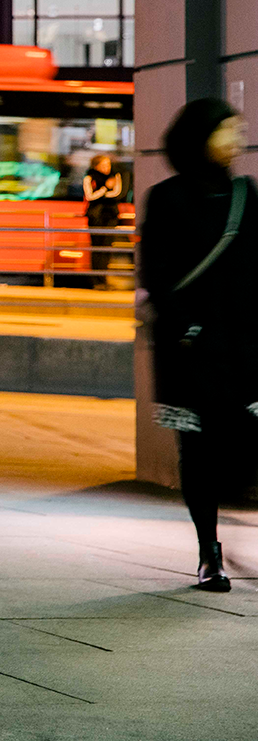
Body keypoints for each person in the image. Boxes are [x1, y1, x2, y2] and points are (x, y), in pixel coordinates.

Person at [141, 98, 258, 593]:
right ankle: (209, 553)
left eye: (238, 129)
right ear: (199, 137)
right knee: (199, 452)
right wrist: (187, 328)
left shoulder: (245, 193)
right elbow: (157, 273)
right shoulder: (166, 197)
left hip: (244, 347)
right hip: (190, 351)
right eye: (227, 130)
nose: (238, 138)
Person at [84, 153, 125, 280]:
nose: (107, 167)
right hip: (95, 215)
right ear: (96, 166)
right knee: (96, 246)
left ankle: (104, 278)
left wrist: (100, 193)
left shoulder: (115, 175)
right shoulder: (89, 178)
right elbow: (89, 196)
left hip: (111, 214)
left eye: (108, 164)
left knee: (107, 246)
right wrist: (105, 188)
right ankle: (95, 279)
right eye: (103, 165)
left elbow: (117, 193)